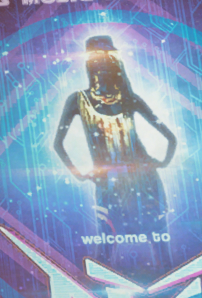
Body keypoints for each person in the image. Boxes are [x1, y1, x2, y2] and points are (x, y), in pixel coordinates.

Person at [52, 34, 176, 249]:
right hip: (109, 183)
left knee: (157, 242)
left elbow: (170, 138)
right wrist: (80, 174)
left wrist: (162, 162)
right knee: (108, 242)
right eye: (96, 58)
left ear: (114, 62)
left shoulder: (129, 98)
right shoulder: (78, 100)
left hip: (144, 182)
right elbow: (58, 144)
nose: (101, 63)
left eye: (106, 57)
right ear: (89, 64)